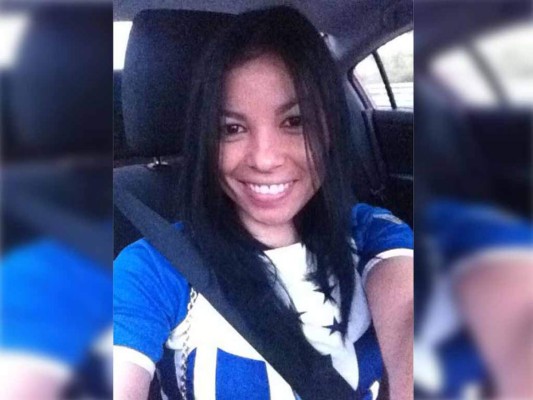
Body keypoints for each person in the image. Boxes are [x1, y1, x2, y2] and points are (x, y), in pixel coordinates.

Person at [114, 6, 413, 400]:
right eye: (232, 128)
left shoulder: (374, 234)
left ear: (330, 128)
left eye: (295, 121)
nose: (265, 158)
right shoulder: (155, 268)